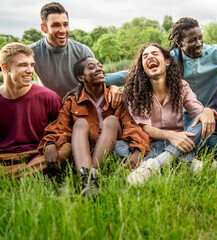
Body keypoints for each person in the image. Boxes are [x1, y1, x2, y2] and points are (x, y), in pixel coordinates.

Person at [105, 17, 217, 124]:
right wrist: (104, 80)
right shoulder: (170, 60)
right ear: (179, 43)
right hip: (182, 117)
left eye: (200, 38)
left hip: (214, 113)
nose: (199, 43)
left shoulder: (216, 54)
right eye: (192, 40)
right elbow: (132, 75)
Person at [116, 44, 217, 185]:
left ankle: (153, 166)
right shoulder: (135, 92)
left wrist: (207, 111)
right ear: (143, 67)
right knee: (118, 146)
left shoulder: (181, 86)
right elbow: (145, 128)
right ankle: (184, 161)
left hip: (181, 139)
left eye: (155, 54)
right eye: (145, 56)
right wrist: (171, 136)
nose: (150, 57)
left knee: (202, 121)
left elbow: (197, 112)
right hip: (150, 143)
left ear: (167, 61)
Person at [37, 57, 150, 196]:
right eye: (91, 67)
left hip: (112, 147)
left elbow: (131, 126)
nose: (99, 69)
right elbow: (61, 125)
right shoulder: (73, 100)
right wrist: (50, 143)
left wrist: (138, 151)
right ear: (81, 77)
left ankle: (88, 179)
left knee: (112, 120)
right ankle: (89, 182)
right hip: (85, 148)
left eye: (100, 66)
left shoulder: (115, 96)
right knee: (80, 123)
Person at [29, 2, 121, 105]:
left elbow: (97, 80)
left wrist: (113, 86)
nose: (62, 30)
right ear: (44, 28)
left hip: (80, 107)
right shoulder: (31, 52)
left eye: (65, 24)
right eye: (55, 25)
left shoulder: (83, 51)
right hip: (50, 108)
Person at [0, 42, 63, 176]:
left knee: (66, 148)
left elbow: (64, 129)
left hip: (37, 154)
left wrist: (50, 142)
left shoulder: (48, 96)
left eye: (32, 65)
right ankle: (29, 174)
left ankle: (12, 176)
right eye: (23, 65)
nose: (30, 70)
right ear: (5, 67)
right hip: (4, 157)